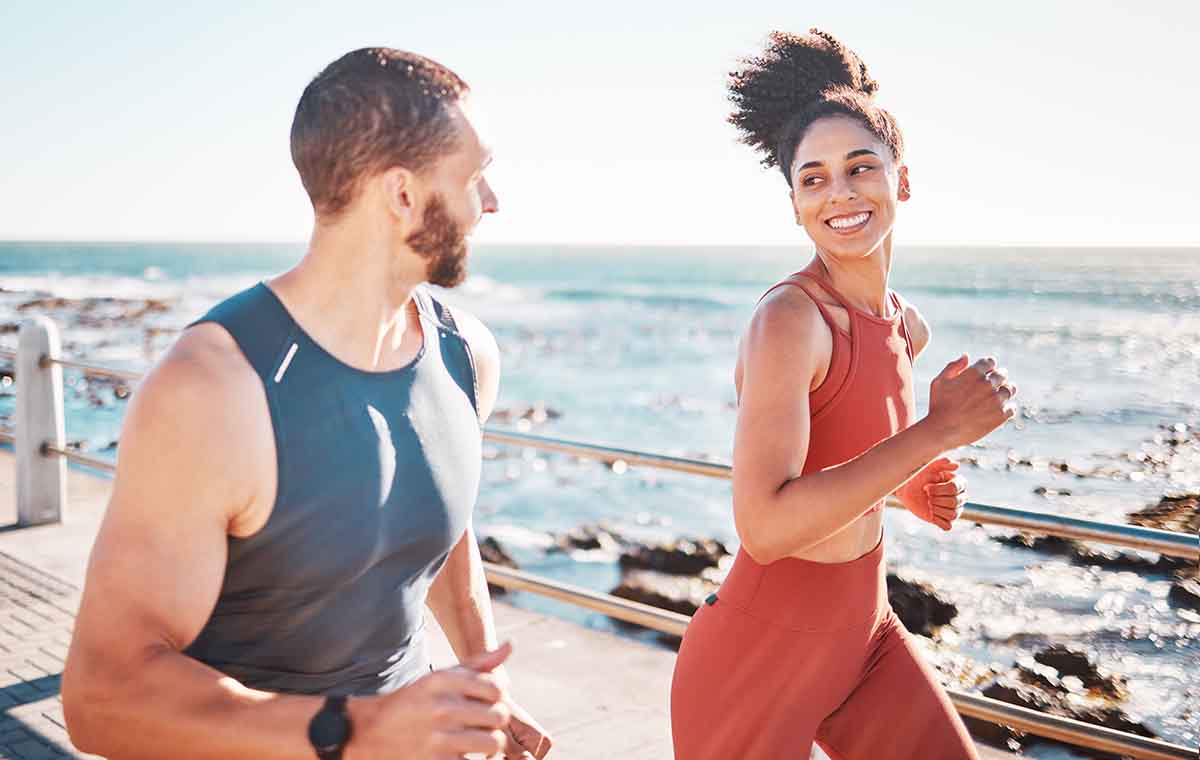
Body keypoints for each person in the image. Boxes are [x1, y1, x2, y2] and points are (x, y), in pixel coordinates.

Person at [62, 48, 551, 760]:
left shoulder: (466, 355)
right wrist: (363, 731)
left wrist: (482, 690)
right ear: (402, 196)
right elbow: (101, 700)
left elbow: (441, 524)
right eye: (476, 177)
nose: (493, 202)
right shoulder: (213, 391)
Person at [670, 30, 1017, 759]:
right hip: (754, 664)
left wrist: (909, 485)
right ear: (794, 203)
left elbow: (846, 450)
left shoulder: (904, 326)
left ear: (904, 180)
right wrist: (934, 436)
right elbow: (765, 525)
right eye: (814, 178)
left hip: (867, 637)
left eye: (861, 168)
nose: (841, 193)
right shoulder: (789, 321)